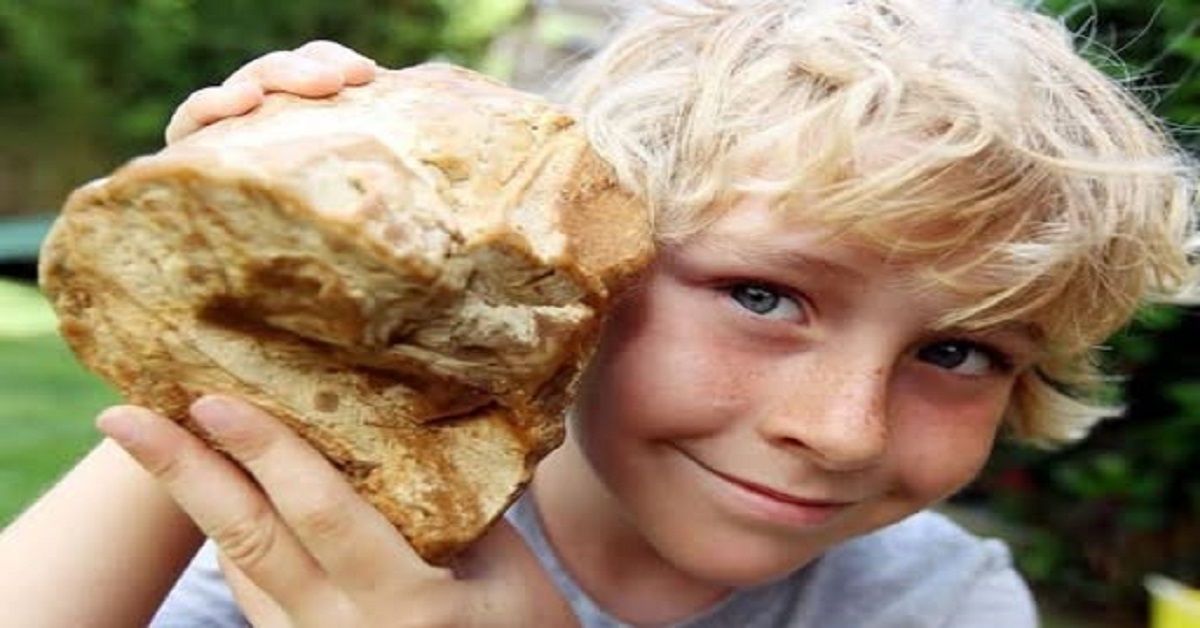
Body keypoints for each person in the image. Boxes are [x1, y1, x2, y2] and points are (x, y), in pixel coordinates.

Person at [1, 0, 1196, 625]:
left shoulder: (931, 603)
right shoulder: (328, 542)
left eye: (958, 350)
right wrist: (239, 309)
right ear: (576, 273)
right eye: (763, 295)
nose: (844, 430)